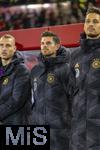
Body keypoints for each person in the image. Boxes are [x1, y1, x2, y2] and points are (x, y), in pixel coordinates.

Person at [31, 31, 75, 150]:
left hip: (60, 131)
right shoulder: (35, 70)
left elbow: (74, 99)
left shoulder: (66, 69)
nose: (44, 45)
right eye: (42, 43)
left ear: (57, 46)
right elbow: (33, 100)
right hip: (39, 130)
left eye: (48, 43)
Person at [70, 7, 100, 150]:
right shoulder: (75, 55)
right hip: (78, 126)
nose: (91, 24)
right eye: (88, 21)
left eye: (95, 21)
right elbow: (70, 89)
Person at [0, 34, 31, 125]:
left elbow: (16, 100)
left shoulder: (21, 70)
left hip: (16, 123)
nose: (4, 48)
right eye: (1, 45)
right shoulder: (1, 69)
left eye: (8, 45)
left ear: (14, 49)